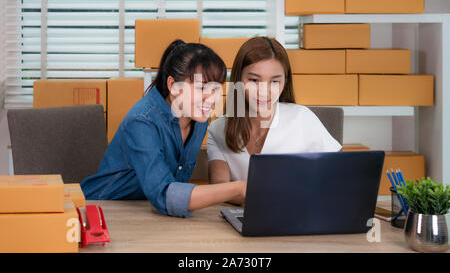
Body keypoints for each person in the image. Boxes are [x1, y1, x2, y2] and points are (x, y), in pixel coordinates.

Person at [81, 39, 247, 218]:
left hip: (149, 212)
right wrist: (238, 188)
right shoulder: (142, 121)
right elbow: (164, 194)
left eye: (215, 89)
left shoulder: (199, 120)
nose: (212, 98)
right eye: (201, 88)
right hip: (104, 209)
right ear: (173, 86)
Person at [207, 37, 342, 204]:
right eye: (254, 80)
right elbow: (219, 186)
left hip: (297, 217)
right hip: (243, 219)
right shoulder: (217, 129)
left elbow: (338, 178)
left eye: (275, 82)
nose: (264, 91)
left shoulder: (302, 118)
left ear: (285, 82)